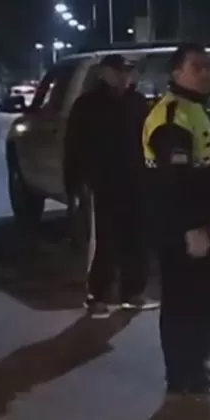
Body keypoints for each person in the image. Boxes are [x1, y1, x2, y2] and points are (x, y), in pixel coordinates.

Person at [143, 43, 210, 397]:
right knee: (185, 303)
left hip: (207, 228)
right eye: (198, 67)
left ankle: (197, 367)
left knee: (208, 300)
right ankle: (181, 377)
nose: (206, 73)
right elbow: (172, 182)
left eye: (209, 67)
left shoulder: (196, 110)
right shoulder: (172, 116)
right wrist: (191, 228)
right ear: (177, 73)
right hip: (183, 232)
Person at [67, 55, 155, 317]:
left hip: (135, 181)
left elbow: (150, 141)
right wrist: (74, 184)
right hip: (101, 184)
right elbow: (73, 147)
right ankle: (97, 295)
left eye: (128, 72)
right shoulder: (87, 105)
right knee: (104, 240)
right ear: (104, 73)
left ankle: (133, 292)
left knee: (136, 238)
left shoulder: (138, 103)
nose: (125, 77)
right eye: (119, 72)